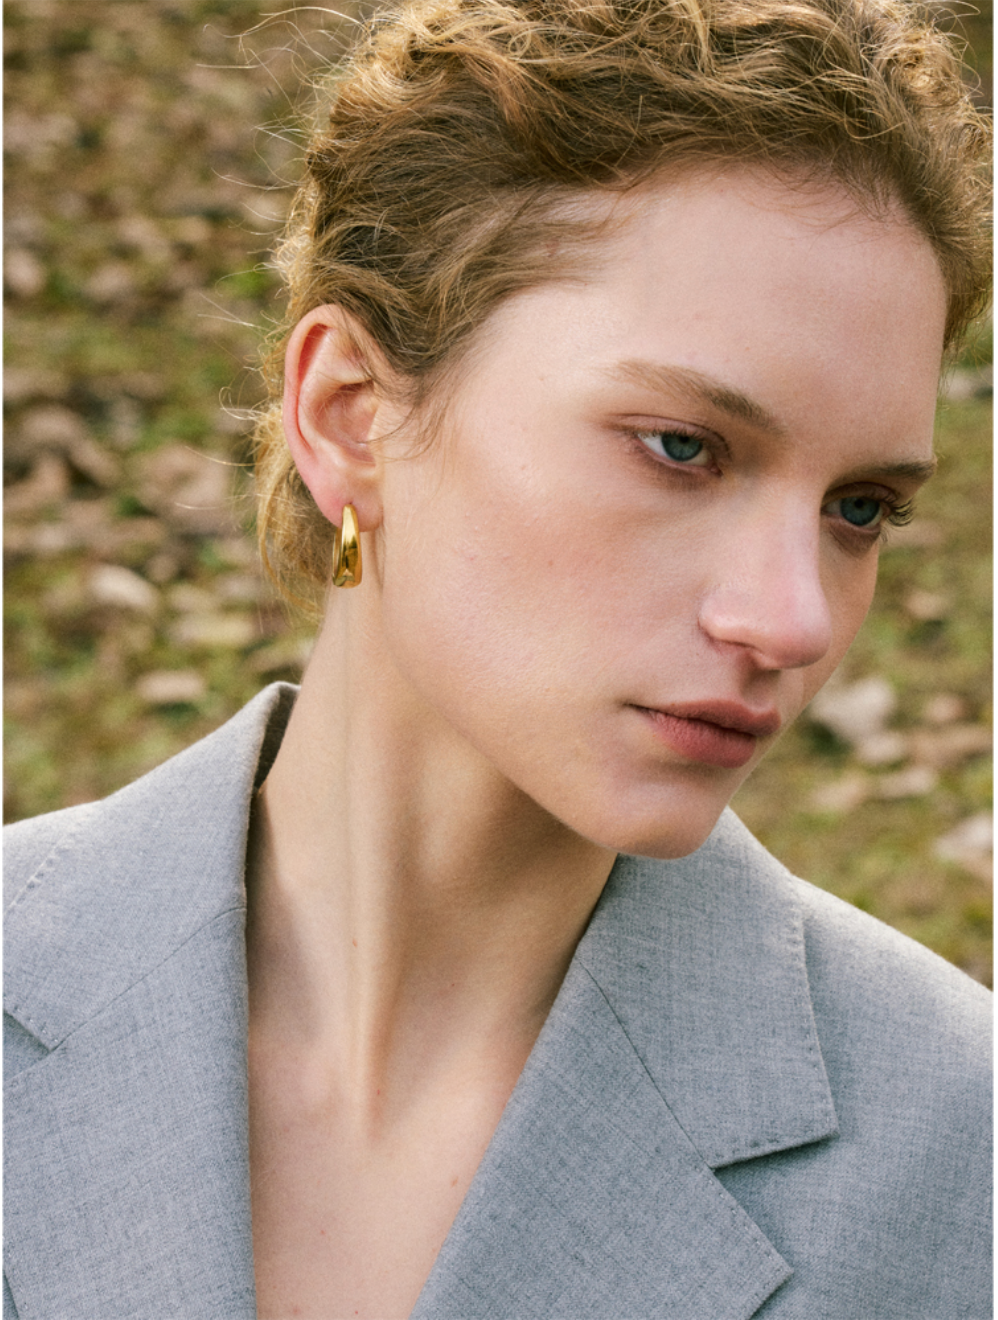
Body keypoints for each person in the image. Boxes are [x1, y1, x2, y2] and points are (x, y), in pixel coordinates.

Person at [4, 0, 991, 1317]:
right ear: (349, 416)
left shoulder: (958, 1163)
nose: (793, 619)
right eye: (681, 448)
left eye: (857, 509)